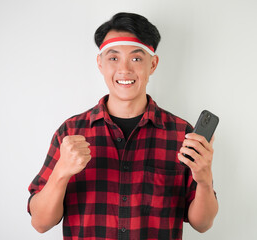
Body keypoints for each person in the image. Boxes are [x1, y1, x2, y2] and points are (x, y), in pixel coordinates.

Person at [28, 12, 218, 240]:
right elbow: (40, 223)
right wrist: (61, 173)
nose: (124, 69)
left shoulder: (182, 135)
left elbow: (203, 224)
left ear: (153, 64)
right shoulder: (70, 132)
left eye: (136, 58)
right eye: (113, 58)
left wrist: (204, 181)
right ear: (100, 63)